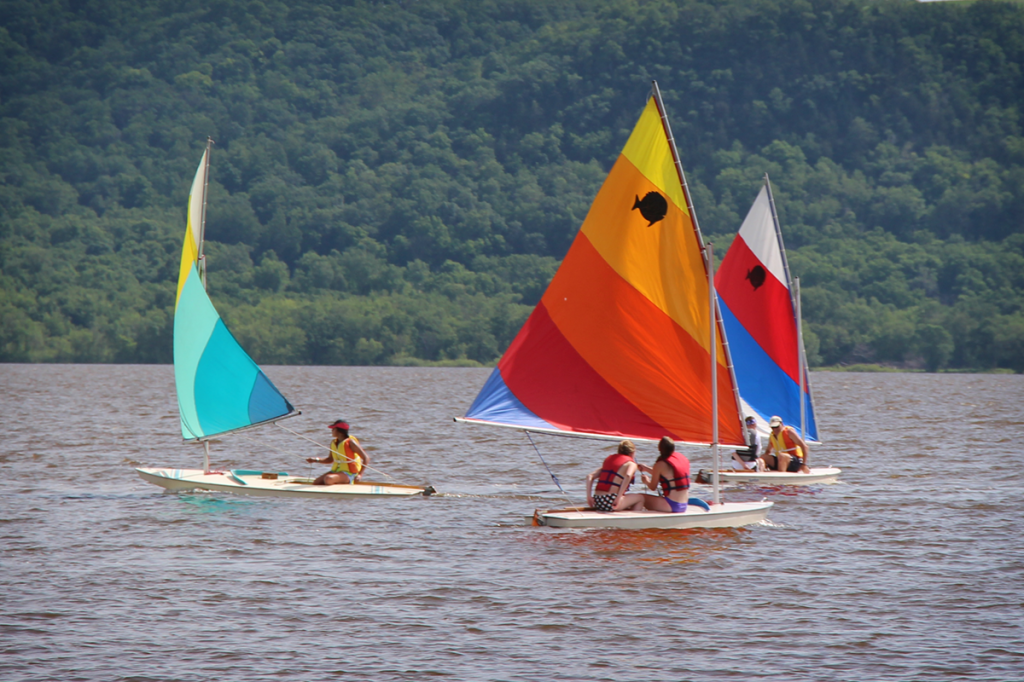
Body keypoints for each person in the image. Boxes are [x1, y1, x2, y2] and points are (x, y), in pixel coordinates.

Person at [586, 440, 646, 512]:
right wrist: (618, 498)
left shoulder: (610, 461)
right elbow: (628, 475)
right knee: (641, 498)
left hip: (597, 501)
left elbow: (590, 476)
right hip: (611, 501)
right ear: (632, 452)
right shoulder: (631, 464)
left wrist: (589, 497)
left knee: (630, 499)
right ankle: (634, 521)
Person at [306, 419, 369, 485]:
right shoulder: (334, 442)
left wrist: (360, 475)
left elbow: (366, 458)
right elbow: (330, 459)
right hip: (337, 471)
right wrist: (315, 460)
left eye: (333, 429)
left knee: (328, 479)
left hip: (349, 473)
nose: (332, 430)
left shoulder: (351, 442)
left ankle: (345, 484)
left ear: (339, 431)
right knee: (317, 482)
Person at [638, 436, 691, 513]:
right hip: (684, 505)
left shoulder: (660, 465)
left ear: (659, 449)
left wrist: (646, 481)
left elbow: (653, 487)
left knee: (641, 498)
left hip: (671, 505)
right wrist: (646, 469)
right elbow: (667, 476)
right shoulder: (682, 458)